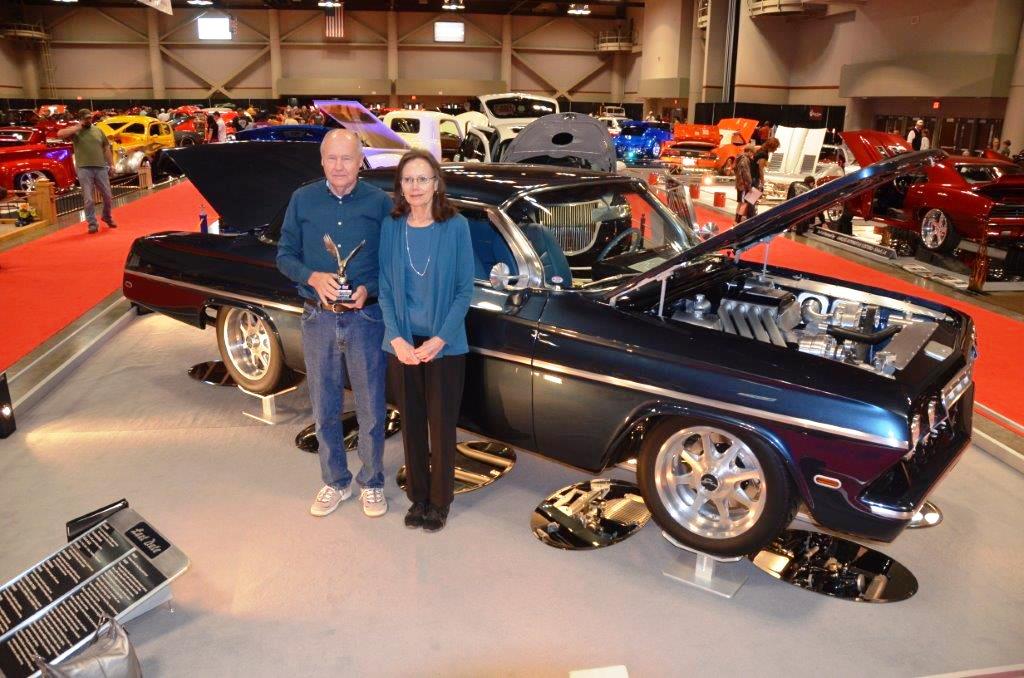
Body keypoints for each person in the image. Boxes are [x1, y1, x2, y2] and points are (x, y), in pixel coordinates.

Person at [276, 129, 393, 518]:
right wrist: (312, 277)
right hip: (317, 317)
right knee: (324, 404)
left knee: (371, 406)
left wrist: (368, 288)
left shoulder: (380, 203)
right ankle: (335, 481)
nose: (340, 166)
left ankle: (372, 482)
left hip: (366, 317)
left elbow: (391, 262)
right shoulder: (302, 199)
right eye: (332, 158)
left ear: (361, 160)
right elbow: (284, 255)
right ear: (322, 160)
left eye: (347, 158)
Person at [378, 149, 473, 533]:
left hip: (444, 345)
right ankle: (418, 496)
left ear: (437, 184)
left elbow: (465, 291)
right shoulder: (392, 226)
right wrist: (396, 337)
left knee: (442, 424)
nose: (415, 187)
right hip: (402, 344)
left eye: (423, 179)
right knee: (411, 423)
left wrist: (440, 339)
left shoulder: (457, 226)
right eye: (408, 179)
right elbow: (385, 287)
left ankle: (440, 500)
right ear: (400, 186)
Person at [57, 109, 117, 234]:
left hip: (101, 167)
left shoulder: (98, 130)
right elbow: (60, 134)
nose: (89, 120)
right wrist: (78, 127)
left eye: (90, 118)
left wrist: (112, 165)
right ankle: (92, 223)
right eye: (86, 118)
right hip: (84, 168)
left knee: (107, 196)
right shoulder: (76, 131)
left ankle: (106, 216)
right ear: (80, 119)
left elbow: (106, 148)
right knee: (88, 199)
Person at [734, 145, 754, 224]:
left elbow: (736, 170)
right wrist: (749, 184)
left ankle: (736, 220)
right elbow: (746, 173)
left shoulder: (739, 158)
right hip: (743, 185)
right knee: (744, 203)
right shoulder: (745, 160)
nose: (752, 155)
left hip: (739, 183)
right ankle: (737, 221)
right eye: (752, 153)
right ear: (749, 151)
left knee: (740, 203)